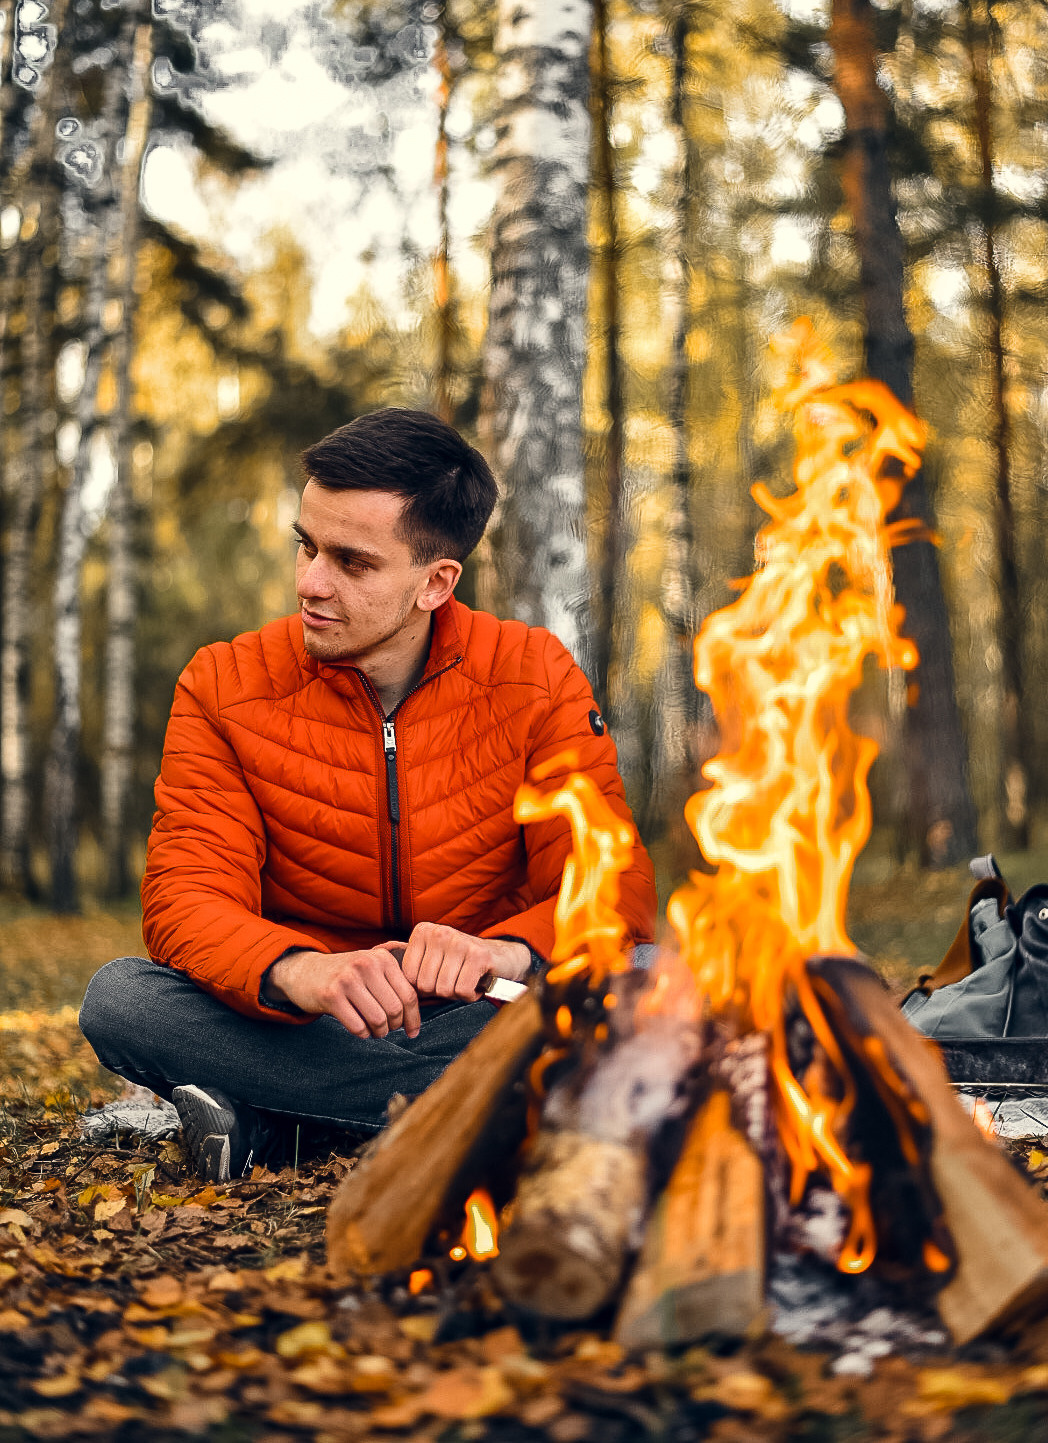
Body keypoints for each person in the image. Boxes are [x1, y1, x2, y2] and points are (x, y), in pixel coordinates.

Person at [80, 408, 658, 1181]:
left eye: (352, 563)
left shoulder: (532, 675)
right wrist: (300, 970)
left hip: (480, 1008)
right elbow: (185, 899)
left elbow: (611, 889)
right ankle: (520, 1105)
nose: (310, 582)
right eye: (307, 545)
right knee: (121, 998)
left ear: (435, 583)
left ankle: (276, 1118)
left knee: (651, 973)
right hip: (300, 1022)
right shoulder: (223, 684)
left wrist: (503, 947)